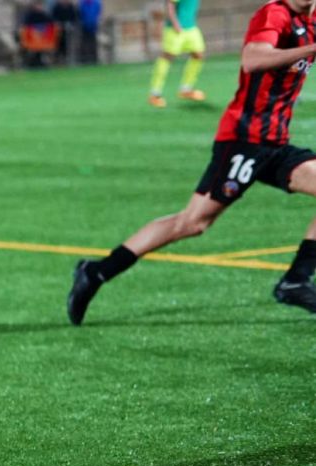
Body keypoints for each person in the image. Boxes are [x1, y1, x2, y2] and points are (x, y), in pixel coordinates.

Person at [69, 0, 316, 325]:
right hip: (243, 140)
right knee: (192, 223)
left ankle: (296, 281)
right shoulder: (276, 13)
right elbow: (253, 59)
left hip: (275, 142)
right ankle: (97, 271)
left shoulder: (310, 20)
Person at [149, 0, 207, 108]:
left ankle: (186, 89)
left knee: (198, 55)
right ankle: (155, 94)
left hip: (191, 28)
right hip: (175, 29)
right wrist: (175, 23)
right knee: (167, 57)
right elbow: (170, 5)